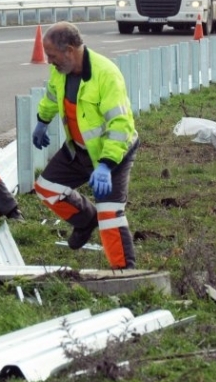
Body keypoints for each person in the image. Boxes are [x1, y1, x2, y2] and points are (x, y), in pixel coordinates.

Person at [31, 22, 139, 270]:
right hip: (79, 150)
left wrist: (106, 165)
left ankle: (124, 272)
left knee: (110, 214)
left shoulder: (106, 75)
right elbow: (50, 96)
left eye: (53, 56)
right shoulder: (61, 71)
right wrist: (42, 122)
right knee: (46, 188)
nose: (50, 61)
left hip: (113, 153)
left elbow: (121, 125)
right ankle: (85, 220)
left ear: (69, 50)